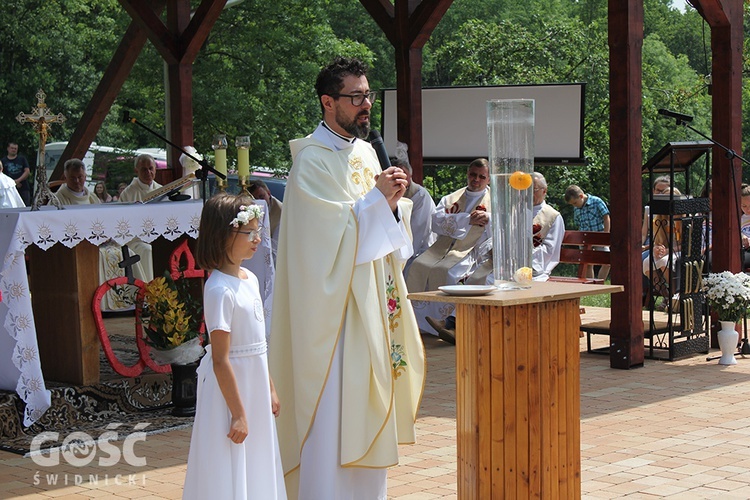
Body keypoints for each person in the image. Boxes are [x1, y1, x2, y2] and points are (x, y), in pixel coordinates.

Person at [269, 56, 425, 500]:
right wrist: (377, 200)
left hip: (369, 303)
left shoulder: (362, 151)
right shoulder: (311, 164)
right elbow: (322, 243)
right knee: (336, 407)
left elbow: (375, 223)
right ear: (327, 102)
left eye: (368, 95)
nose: (366, 105)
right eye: (355, 97)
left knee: (368, 397)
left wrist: (394, 201)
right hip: (333, 314)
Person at [183, 193, 286, 500]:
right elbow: (220, 359)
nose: (257, 239)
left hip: (254, 385)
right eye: (249, 232)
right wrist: (238, 413)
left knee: (257, 456)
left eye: (258, 231)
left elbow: (258, 347)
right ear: (223, 234)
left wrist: (269, 388)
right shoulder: (218, 289)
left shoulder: (250, 279)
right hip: (231, 392)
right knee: (230, 455)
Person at [428, 172, 564, 341]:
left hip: (528, 268)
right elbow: (497, 236)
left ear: (544, 191)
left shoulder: (552, 217)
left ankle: (459, 325)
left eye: (533, 189)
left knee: (490, 281)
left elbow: (549, 251)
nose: (527, 194)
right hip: (503, 262)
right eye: (524, 189)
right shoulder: (515, 210)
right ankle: (456, 324)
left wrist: (518, 254)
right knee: (470, 277)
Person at [405, 158, 491, 341]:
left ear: (489, 179)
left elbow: (502, 225)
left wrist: (488, 217)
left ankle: (447, 323)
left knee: (448, 271)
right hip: (442, 248)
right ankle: (418, 324)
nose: (476, 180)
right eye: (473, 175)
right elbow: (435, 221)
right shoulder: (452, 198)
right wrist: (467, 219)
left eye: (481, 177)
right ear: (467, 174)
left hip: (471, 251)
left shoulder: (495, 202)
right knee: (416, 265)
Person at [393, 141, 437, 277]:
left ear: (409, 175)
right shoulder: (389, 193)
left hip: (418, 250)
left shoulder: (420, 196)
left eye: (403, 173)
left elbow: (418, 232)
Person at [564, 184, 611, 280]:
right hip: (584, 239)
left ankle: (600, 283)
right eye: (572, 204)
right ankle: (591, 285)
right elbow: (578, 223)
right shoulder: (576, 207)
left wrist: (605, 236)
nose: (574, 205)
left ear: (581, 196)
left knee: (607, 261)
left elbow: (606, 218)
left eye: (575, 203)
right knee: (588, 263)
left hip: (599, 236)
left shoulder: (596, 201)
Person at [249, 179, 282, 263]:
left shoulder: (281, 212)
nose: (259, 201)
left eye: (261, 197)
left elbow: (276, 245)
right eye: (255, 199)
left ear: (268, 193)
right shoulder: (248, 209)